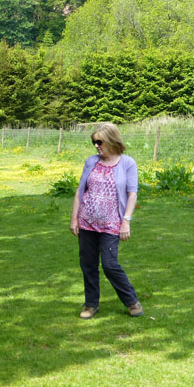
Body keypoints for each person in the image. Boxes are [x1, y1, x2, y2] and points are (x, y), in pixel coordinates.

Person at [69, 123, 143, 319]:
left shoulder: (127, 163)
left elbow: (132, 194)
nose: (96, 146)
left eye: (99, 141)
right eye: (94, 142)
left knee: (110, 265)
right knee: (88, 264)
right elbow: (80, 190)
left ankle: (132, 301)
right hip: (87, 222)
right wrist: (74, 218)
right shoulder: (90, 162)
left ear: (111, 140)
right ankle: (91, 304)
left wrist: (126, 221)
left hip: (111, 224)